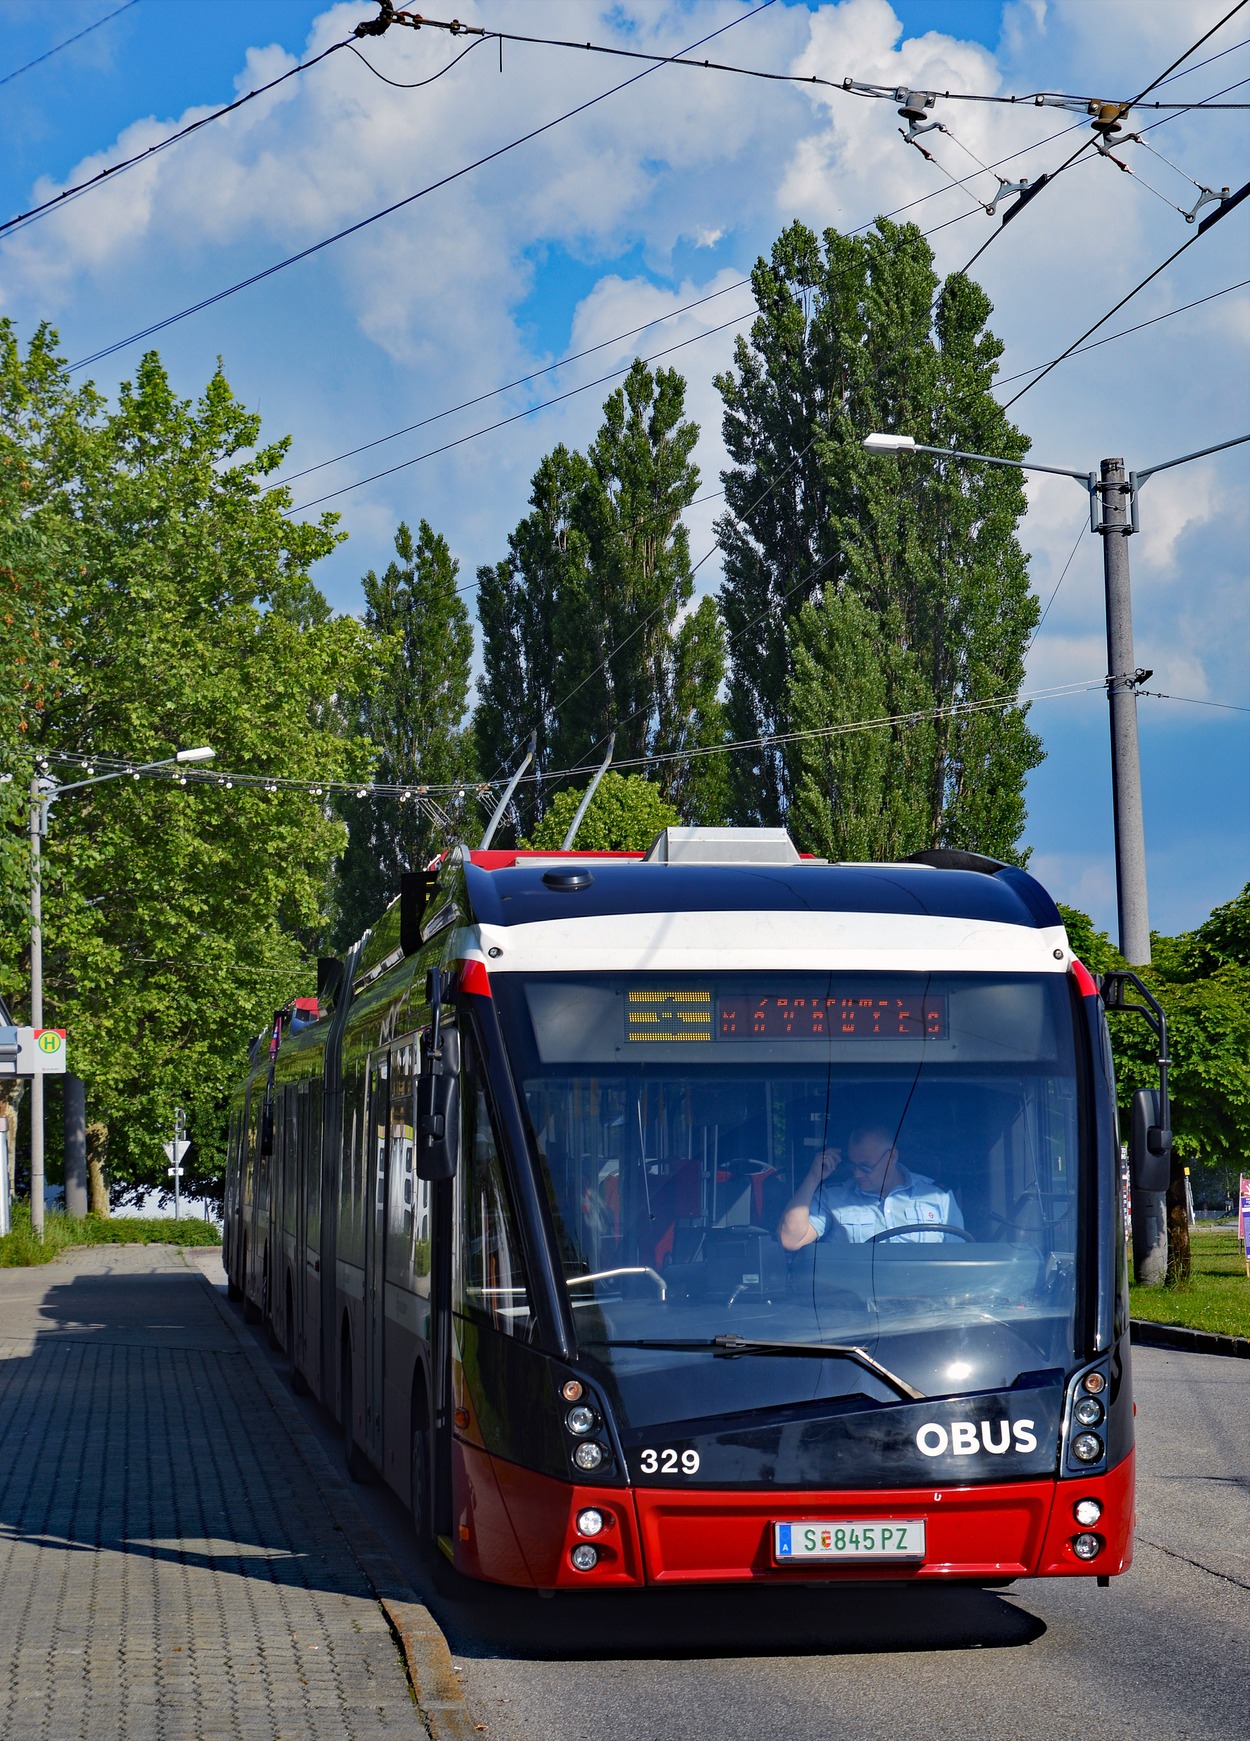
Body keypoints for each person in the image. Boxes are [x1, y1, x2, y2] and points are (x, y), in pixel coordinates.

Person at [777, 1123, 964, 1250]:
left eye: (865, 1166)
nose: (857, 1174)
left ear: (892, 1157)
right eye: (853, 1165)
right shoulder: (833, 1198)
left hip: (926, 1304)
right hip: (851, 1303)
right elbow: (791, 1240)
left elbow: (958, 1262)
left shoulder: (938, 1197)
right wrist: (812, 1178)